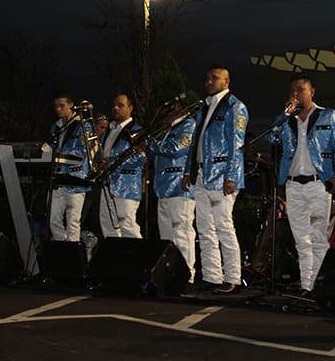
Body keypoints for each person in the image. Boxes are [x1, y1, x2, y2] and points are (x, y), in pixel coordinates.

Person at [268, 73, 335, 296]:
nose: (296, 93)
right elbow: (271, 139)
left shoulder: (327, 116)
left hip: (318, 184)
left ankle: (320, 286)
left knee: (318, 237)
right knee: (301, 238)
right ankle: (306, 285)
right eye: (293, 90)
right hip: (293, 185)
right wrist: (283, 114)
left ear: (311, 92)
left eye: (301, 89)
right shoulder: (287, 120)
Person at [182, 65, 248, 294]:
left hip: (222, 176)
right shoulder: (204, 108)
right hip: (202, 173)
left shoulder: (235, 107)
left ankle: (233, 277)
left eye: (215, 78)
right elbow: (195, 142)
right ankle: (212, 276)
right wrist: (188, 171)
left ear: (226, 82)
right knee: (204, 227)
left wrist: (231, 176)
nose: (209, 81)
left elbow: (237, 144)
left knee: (223, 226)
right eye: (207, 77)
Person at [148, 101, 197, 283]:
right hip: (163, 187)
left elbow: (178, 148)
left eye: (171, 108)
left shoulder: (189, 124)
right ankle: (170, 274)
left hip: (179, 187)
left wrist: (151, 144)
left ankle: (187, 275)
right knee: (167, 235)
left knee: (182, 232)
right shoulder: (167, 128)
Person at [98, 92, 146, 238]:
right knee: (107, 226)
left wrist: (110, 162)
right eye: (114, 105)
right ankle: (116, 259)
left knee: (127, 225)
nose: (116, 108)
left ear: (130, 108)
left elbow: (140, 158)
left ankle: (138, 260)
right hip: (107, 184)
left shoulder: (137, 130)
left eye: (120, 105)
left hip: (126, 185)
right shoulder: (110, 130)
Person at [47, 92, 91, 242]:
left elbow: (85, 152)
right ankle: (62, 248)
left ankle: (72, 252)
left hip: (75, 179)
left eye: (62, 105)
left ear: (71, 105)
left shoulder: (83, 125)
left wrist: (60, 156)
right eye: (56, 106)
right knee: (52, 219)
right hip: (57, 179)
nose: (58, 109)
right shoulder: (55, 126)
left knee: (73, 221)